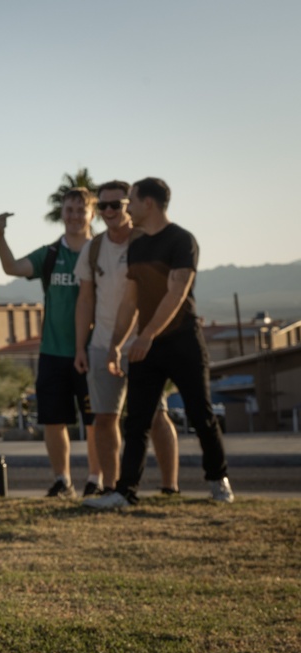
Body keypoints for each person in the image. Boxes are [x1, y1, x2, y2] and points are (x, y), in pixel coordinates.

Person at [85, 178, 234, 508]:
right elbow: (129, 302)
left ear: (147, 203)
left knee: (200, 413)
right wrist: (114, 346)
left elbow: (177, 293)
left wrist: (147, 335)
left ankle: (218, 480)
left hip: (182, 342)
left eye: (132, 202)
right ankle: (125, 492)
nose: (128, 208)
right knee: (137, 420)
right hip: (144, 346)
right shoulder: (137, 247)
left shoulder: (182, 240)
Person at [74, 181, 180, 496]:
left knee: (156, 415)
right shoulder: (93, 249)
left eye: (115, 205)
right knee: (105, 418)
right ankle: (111, 486)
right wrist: (81, 346)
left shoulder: (147, 243)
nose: (108, 212)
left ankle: (169, 486)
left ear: (129, 205)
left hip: (143, 344)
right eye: (103, 206)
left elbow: (170, 290)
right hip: (101, 345)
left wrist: (152, 335)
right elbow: (84, 302)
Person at [0, 188, 99, 498]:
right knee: (54, 421)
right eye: (69, 210)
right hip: (53, 352)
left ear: (91, 214)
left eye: (81, 210)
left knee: (96, 422)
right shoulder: (51, 254)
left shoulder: (99, 253)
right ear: (61, 214)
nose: (75, 216)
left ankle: (96, 478)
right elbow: (12, 268)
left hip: (94, 351)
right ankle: (63, 480)